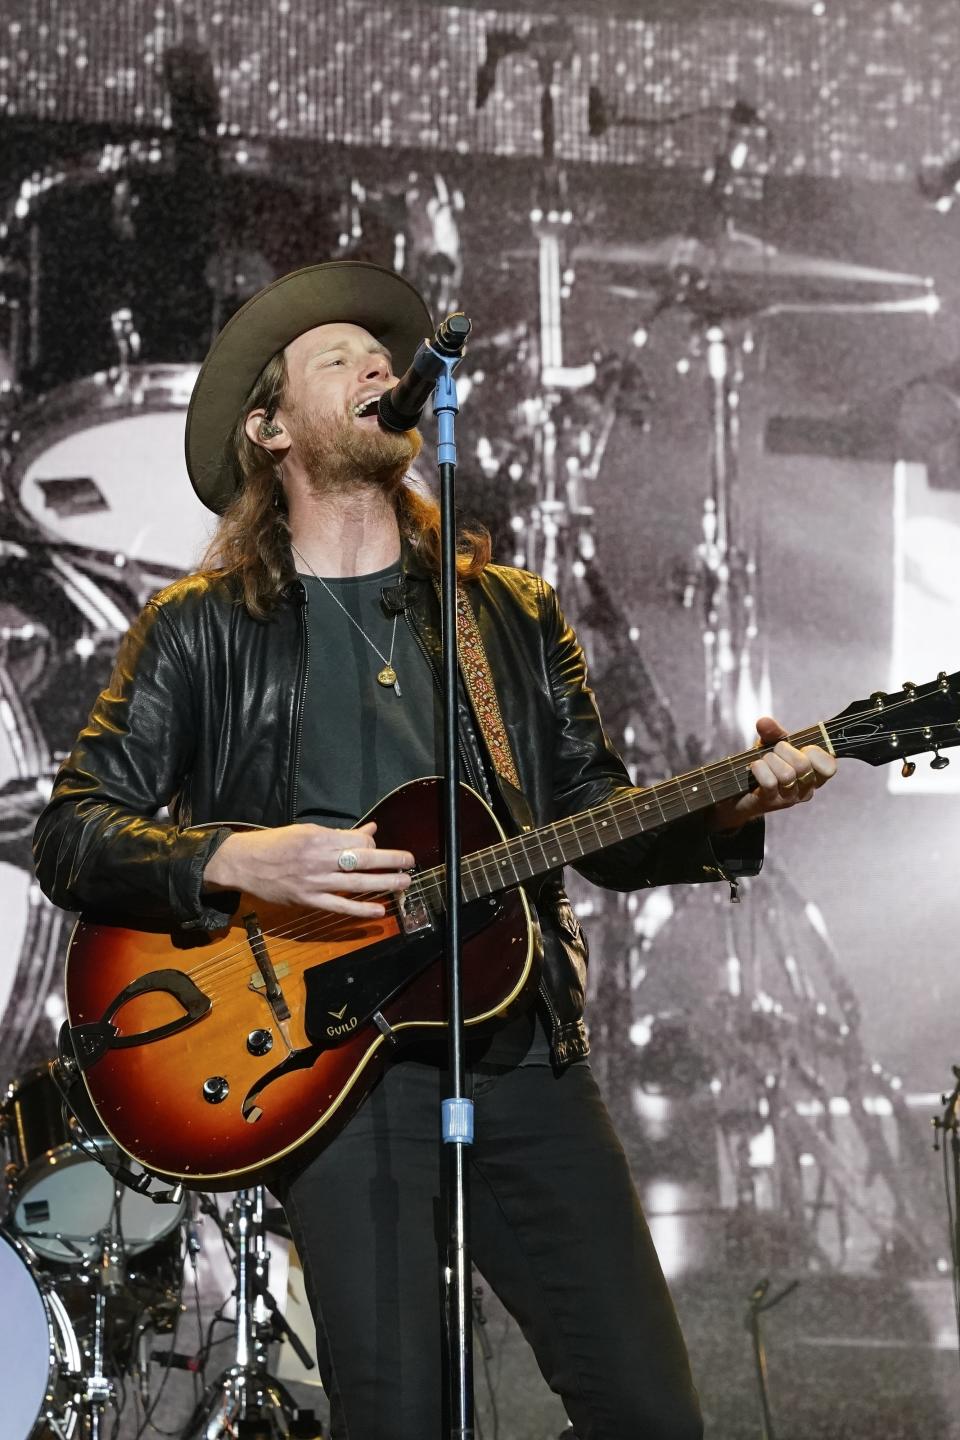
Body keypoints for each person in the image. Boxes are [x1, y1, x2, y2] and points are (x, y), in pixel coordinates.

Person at [33, 260, 837, 1440]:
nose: (376, 365)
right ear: (270, 430)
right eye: (336, 357)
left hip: (518, 1050)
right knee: (397, 1418)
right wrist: (241, 861)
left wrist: (733, 809)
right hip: (328, 1070)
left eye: (381, 351)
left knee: (650, 1413)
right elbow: (72, 833)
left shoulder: (509, 613)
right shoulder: (202, 630)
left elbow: (598, 825)